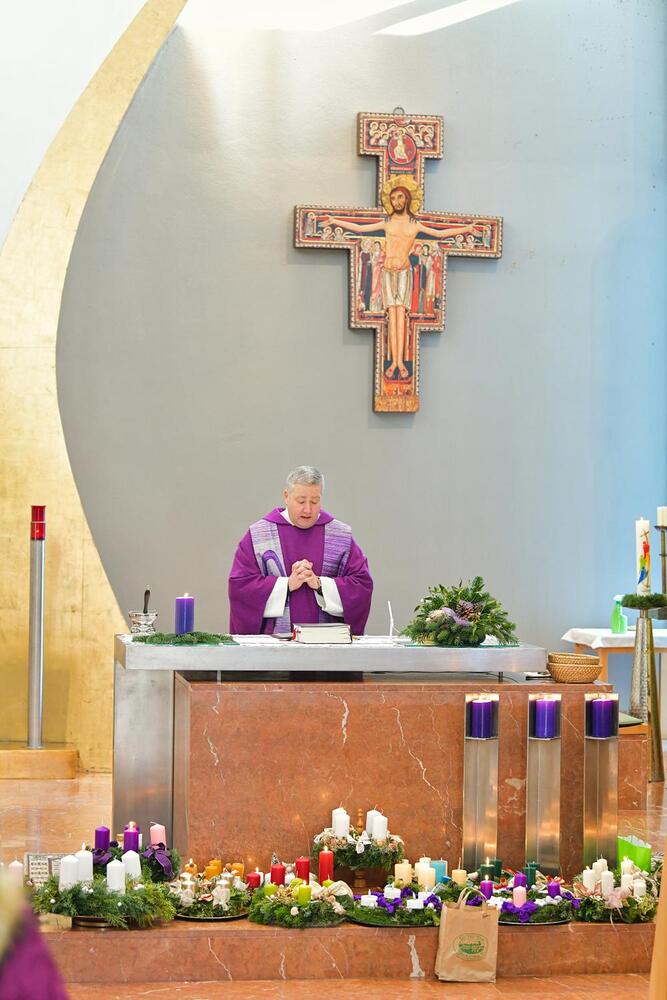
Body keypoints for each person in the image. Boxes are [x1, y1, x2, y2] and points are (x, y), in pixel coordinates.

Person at [324, 181, 480, 380]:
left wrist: (466, 229)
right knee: (392, 317)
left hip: (404, 273)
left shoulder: (415, 224)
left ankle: (399, 362)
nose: (396, 201)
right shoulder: (387, 222)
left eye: (399, 197)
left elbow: (440, 233)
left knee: (401, 318)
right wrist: (335, 221)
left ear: (407, 198)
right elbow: (360, 228)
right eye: (393, 198)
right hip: (388, 273)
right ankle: (394, 362)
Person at [228, 467, 373, 635]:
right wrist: (287, 585)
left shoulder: (340, 535)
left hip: (327, 642)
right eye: (301, 501)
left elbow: (361, 585)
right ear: (286, 496)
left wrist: (320, 584)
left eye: (314, 501)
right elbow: (240, 588)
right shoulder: (259, 535)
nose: (308, 510)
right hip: (274, 644)